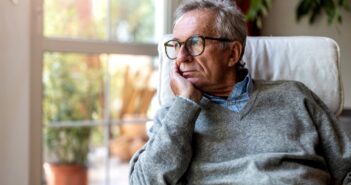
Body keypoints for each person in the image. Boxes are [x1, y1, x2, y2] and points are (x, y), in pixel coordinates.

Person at [129, 0, 351, 184]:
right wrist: (185, 105)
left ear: (233, 54)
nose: (181, 57)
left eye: (194, 43)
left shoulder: (295, 96)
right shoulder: (174, 117)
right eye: (177, 45)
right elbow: (143, 181)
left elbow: (347, 168)